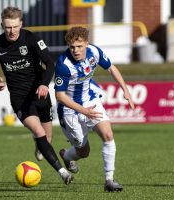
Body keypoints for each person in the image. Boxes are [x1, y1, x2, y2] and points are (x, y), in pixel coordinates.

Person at [0, 6, 73, 184]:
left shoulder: (31, 38)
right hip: (19, 98)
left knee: (47, 138)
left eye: (15, 26)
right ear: (2, 25)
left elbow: (49, 64)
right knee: (39, 132)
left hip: (40, 94)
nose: (12, 31)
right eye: (8, 27)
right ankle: (63, 173)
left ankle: (40, 145)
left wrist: (45, 85)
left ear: (20, 24)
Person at [54, 26, 135, 191]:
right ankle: (67, 155)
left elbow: (111, 68)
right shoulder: (63, 64)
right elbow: (60, 96)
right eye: (72, 47)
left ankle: (109, 180)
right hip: (70, 110)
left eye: (79, 46)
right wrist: (83, 111)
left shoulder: (94, 52)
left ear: (86, 44)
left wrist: (125, 89)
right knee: (84, 152)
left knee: (107, 134)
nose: (76, 50)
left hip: (90, 99)